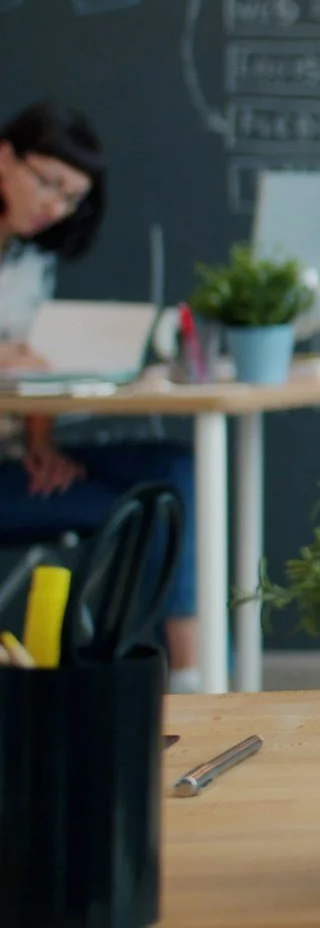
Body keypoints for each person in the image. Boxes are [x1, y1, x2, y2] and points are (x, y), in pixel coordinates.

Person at [0, 102, 199, 687]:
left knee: (172, 472)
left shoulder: (29, 260)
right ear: (5, 156)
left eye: (70, 198)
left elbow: (29, 364)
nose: (54, 207)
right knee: (150, 504)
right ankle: (187, 680)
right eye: (49, 185)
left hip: (15, 461)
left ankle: (193, 675)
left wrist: (42, 442)